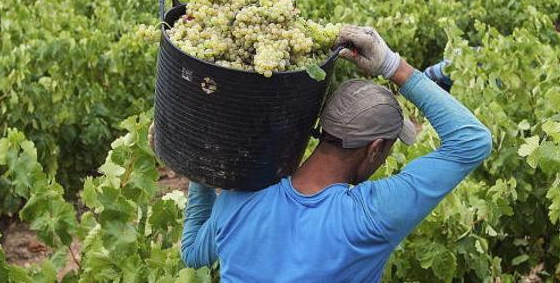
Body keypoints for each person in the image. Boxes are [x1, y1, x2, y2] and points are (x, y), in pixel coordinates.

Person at [179, 25, 492, 282]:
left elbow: (192, 252)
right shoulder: (370, 216)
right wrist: (391, 65)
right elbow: (472, 141)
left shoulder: (243, 196)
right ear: (375, 148)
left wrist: (203, 164)